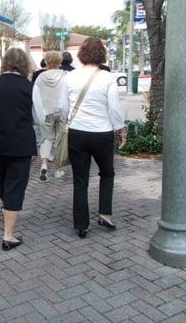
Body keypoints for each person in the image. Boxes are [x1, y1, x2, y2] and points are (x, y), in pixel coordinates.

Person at [0, 48, 45, 251]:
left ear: (4, 63)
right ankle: (8, 235)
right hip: (21, 143)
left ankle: (7, 209)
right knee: (16, 185)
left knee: (2, 179)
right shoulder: (30, 87)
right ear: (24, 65)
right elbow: (39, 118)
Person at [58, 37, 126, 239]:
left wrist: (68, 120)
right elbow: (114, 108)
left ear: (81, 54)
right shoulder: (108, 78)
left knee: (80, 180)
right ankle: (105, 213)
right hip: (102, 133)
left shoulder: (69, 77)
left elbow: (63, 107)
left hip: (77, 133)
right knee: (107, 173)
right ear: (101, 55)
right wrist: (120, 129)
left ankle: (81, 225)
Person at [34, 51, 67, 181]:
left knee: (46, 139)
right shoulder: (65, 76)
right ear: (60, 61)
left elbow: (35, 95)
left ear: (46, 61)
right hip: (62, 111)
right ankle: (59, 169)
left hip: (45, 112)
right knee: (60, 140)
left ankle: (44, 165)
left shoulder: (40, 77)